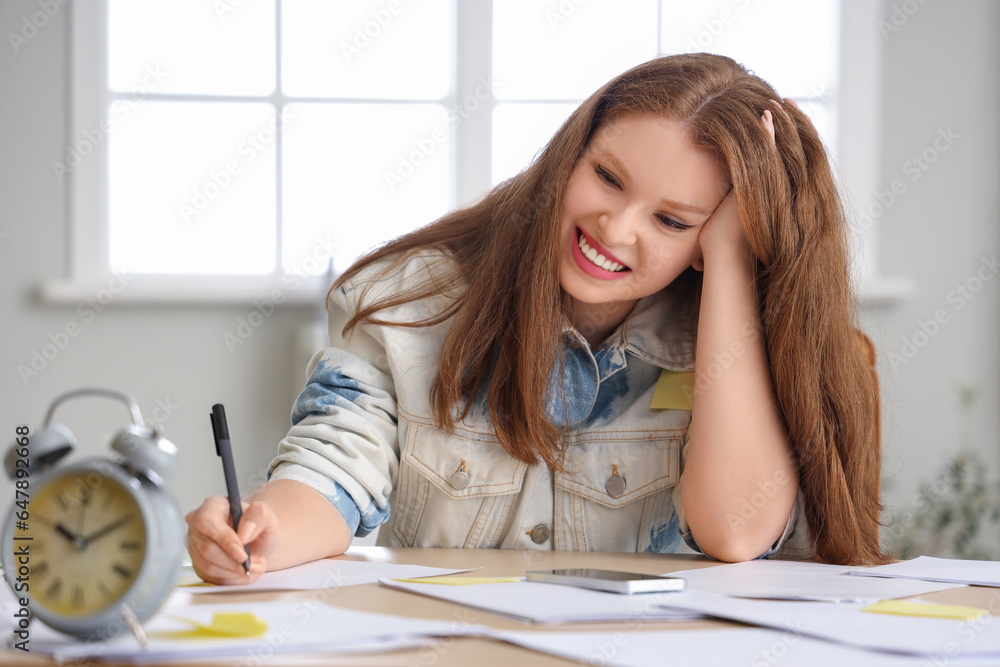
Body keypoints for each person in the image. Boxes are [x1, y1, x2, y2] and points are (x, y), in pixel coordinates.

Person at [186, 53, 888, 585]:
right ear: (567, 156)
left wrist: (733, 259)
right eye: (607, 177)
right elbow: (331, 472)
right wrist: (262, 532)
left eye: (672, 219)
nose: (615, 227)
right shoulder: (408, 303)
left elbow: (735, 530)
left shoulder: (741, 336)